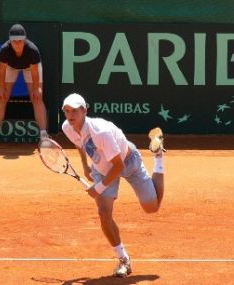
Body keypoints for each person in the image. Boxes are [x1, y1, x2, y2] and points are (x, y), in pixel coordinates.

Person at [61, 93, 166, 278]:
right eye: (67, 111)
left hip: (127, 161)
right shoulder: (67, 127)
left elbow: (119, 166)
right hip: (101, 167)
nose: (70, 115)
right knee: (104, 213)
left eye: (75, 110)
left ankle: (158, 156)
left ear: (84, 110)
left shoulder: (101, 131)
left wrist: (99, 188)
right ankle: (123, 259)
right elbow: (80, 144)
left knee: (152, 207)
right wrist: (86, 166)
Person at [0, 24, 48, 146]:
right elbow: (1, 71)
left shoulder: (32, 50)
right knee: (1, 98)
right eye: (14, 41)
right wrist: (1, 88)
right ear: (10, 41)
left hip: (30, 68)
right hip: (11, 67)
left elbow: (34, 73)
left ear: (25, 40)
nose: (17, 44)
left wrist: (37, 88)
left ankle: (44, 136)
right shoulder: (4, 50)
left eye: (20, 41)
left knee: (37, 98)